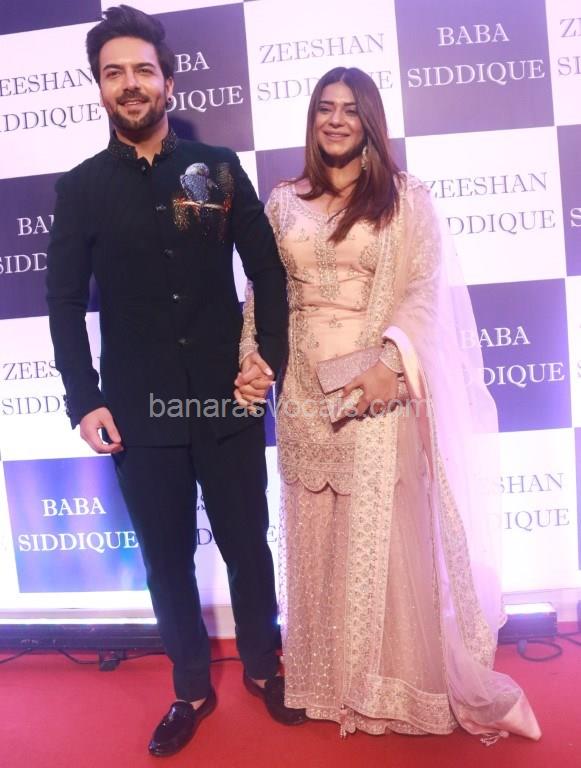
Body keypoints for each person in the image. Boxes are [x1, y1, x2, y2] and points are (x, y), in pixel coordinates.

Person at [235, 66, 541, 742]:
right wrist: (252, 356)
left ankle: (388, 687)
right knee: (316, 534)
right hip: (303, 394)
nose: (336, 120)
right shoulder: (283, 200)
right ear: (312, 120)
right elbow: (264, 294)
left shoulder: (404, 199)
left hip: (375, 388)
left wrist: (390, 364)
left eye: (350, 109)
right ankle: (324, 684)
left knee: (385, 537)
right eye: (325, 108)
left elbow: (423, 290)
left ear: (369, 121)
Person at [46, 5, 305, 758]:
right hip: (137, 408)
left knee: (247, 544)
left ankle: (263, 666)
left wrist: (268, 359)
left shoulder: (217, 167)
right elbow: (63, 301)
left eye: (143, 70)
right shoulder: (81, 188)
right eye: (114, 73)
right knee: (165, 559)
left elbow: (267, 270)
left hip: (226, 397)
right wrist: (83, 398)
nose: (130, 84)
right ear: (100, 87)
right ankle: (190, 688)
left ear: (168, 81)